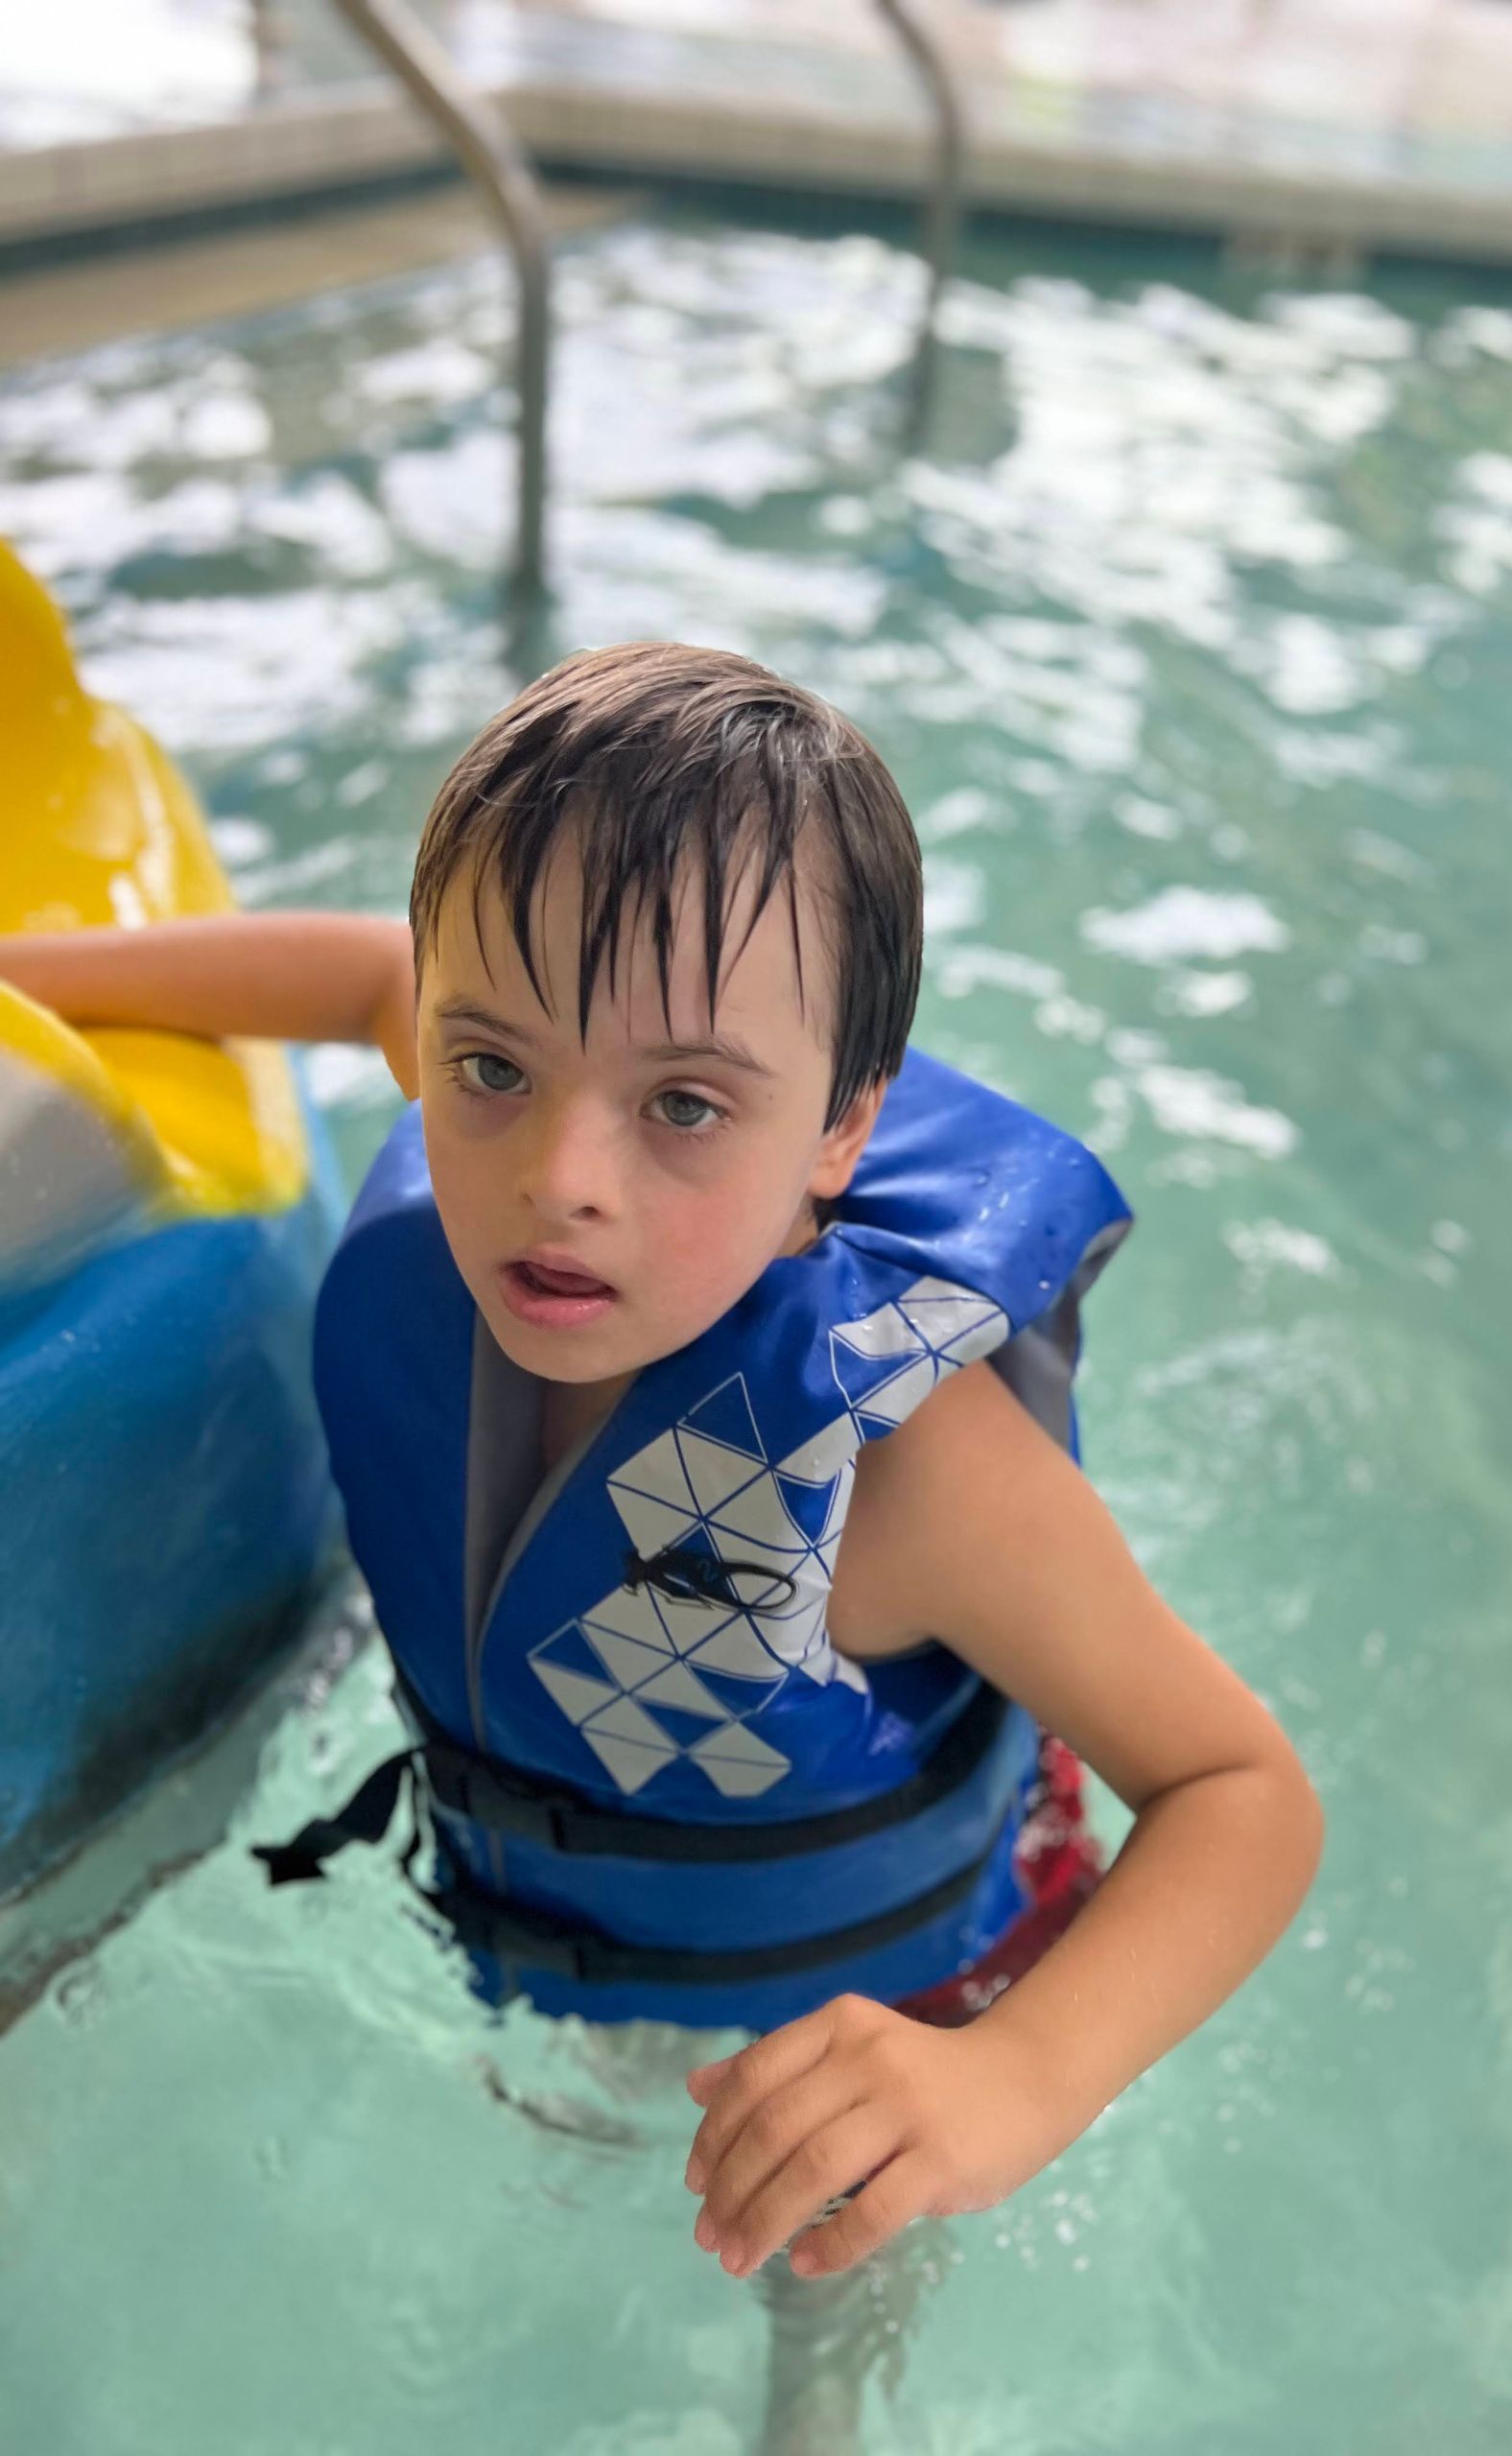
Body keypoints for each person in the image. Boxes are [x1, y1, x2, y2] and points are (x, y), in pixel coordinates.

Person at [0, 642, 1324, 2445]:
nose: (564, 1175)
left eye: (687, 1107)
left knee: (828, 2257)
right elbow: (365, 974)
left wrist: (1010, 2077)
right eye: (489, 1067)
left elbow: (1246, 1789)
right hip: (569, 1840)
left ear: (841, 1134)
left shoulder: (911, 1474)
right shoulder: (509, 1106)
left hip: (892, 1973)